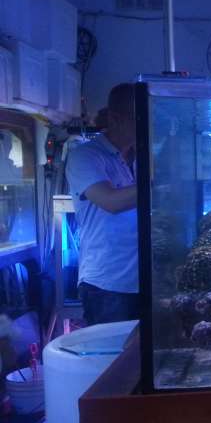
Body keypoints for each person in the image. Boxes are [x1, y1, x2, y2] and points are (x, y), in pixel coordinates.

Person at [66, 83, 139, 325]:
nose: (148, 125)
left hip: (142, 280)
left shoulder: (139, 157)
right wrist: (160, 184)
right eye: (140, 118)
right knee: (110, 348)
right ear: (117, 119)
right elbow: (110, 201)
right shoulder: (86, 156)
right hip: (107, 284)